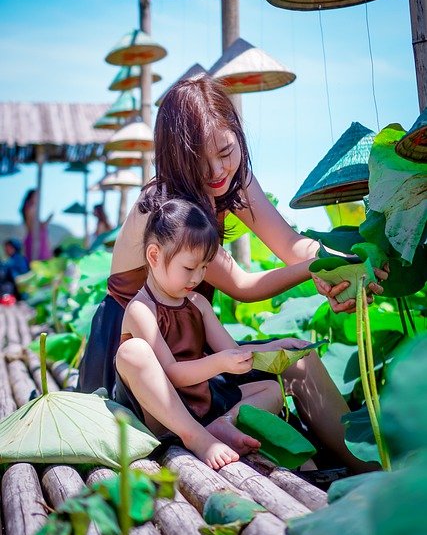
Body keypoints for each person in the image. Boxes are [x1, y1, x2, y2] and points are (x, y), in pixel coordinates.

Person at [78, 75, 387, 471]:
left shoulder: (231, 180)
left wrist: (343, 265)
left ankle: (367, 469)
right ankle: (210, 435)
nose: (216, 171)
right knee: (265, 360)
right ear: (176, 159)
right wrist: (313, 270)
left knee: (298, 356)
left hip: (194, 352)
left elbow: (291, 245)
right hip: (138, 368)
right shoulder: (164, 211)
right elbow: (243, 286)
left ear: (237, 136)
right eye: (199, 161)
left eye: (226, 151)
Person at [116, 198, 290, 469]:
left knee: (271, 390)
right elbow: (171, 373)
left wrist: (278, 346)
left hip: (205, 401)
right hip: (163, 414)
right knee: (132, 352)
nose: (197, 278)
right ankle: (196, 437)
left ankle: (223, 424)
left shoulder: (198, 303)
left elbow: (234, 352)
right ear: (154, 256)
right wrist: (219, 363)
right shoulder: (142, 308)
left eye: (204, 267)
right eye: (188, 268)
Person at [20, 189, 52, 262]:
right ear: (31, 197)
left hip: (37, 239)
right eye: (36, 196)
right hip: (35, 240)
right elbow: (33, 227)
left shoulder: (30, 208)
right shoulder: (30, 207)